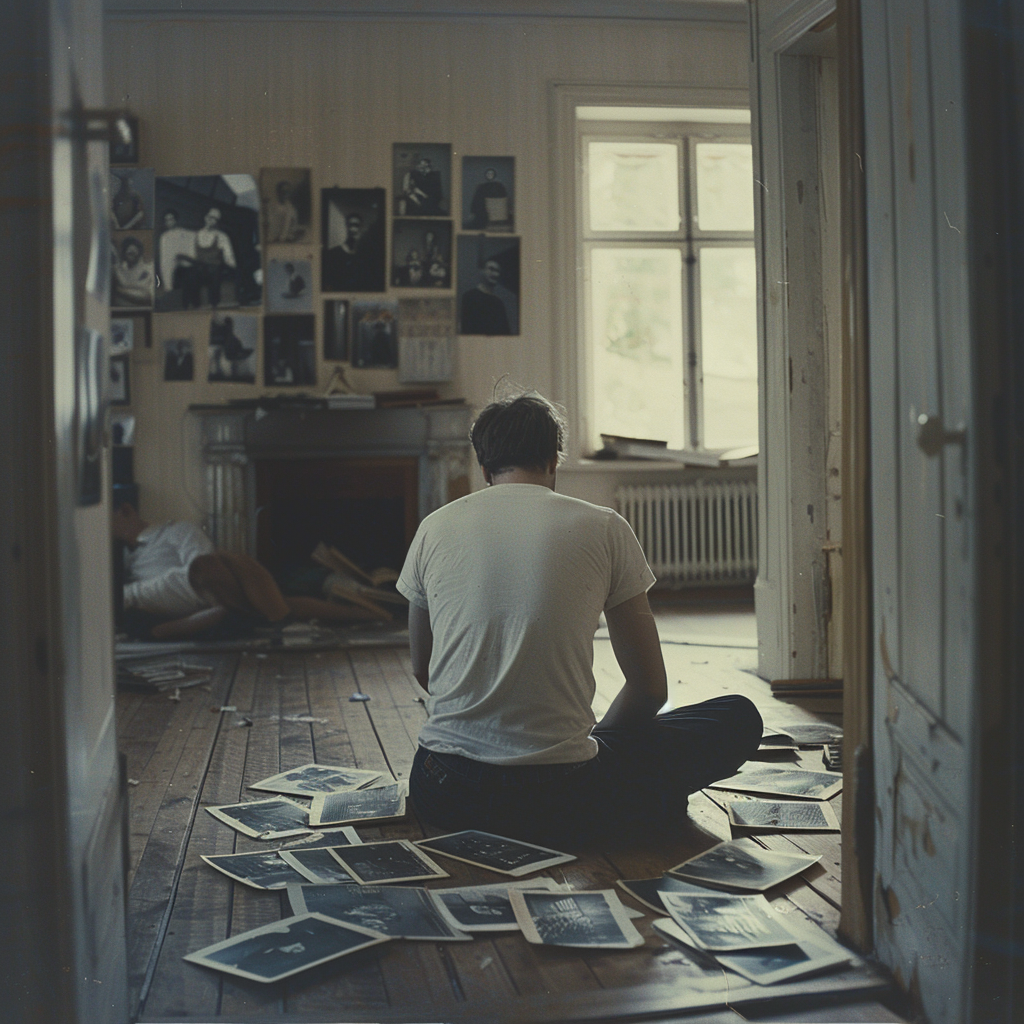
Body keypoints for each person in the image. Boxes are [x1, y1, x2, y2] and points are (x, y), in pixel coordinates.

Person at [397, 392, 762, 846]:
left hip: (443, 790)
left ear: (485, 468)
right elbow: (650, 689)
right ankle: (638, 803)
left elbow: (422, 667)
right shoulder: (605, 526)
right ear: (554, 461)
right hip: (563, 792)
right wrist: (594, 738)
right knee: (736, 716)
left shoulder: (434, 526)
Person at [112, 501, 379, 640]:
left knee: (215, 562)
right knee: (275, 600)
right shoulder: (112, 556)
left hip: (203, 587)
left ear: (126, 511)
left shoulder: (176, 531)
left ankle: (272, 615)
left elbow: (207, 565)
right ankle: (279, 617)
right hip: (156, 596)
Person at [323, 210, 384, 291]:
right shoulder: (333, 254)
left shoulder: (366, 256)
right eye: (350, 225)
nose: (353, 229)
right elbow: (328, 283)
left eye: (356, 225)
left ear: (361, 228)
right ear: (346, 226)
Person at [191, 207, 237, 308]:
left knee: (215, 284)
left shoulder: (221, 236)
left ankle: (214, 306)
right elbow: (192, 254)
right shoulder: (196, 235)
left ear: (217, 222)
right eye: (209, 217)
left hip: (214, 268)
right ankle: (195, 308)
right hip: (199, 268)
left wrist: (235, 267)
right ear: (205, 217)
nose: (211, 220)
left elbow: (228, 255)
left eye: (215, 219)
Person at [460, 258, 511, 335]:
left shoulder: (499, 303)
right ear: (482, 271)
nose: (495, 274)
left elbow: (506, 333)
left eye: (498, 271)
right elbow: (466, 329)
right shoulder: (469, 297)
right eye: (491, 269)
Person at [157, 208, 196, 300]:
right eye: (167, 220)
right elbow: (165, 259)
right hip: (172, 266)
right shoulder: (164, 237)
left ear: (175, 220)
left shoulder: (183, 232)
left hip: (186, 265)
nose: (169, 222)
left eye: (171, 219)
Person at [111, 236, 154, 307]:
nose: (131, 255)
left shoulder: (148, 270)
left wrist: (119, 291)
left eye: (133, 253)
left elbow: (147, 296)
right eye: (129, 253)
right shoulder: (118, 270)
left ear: (140, 253)